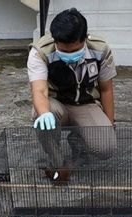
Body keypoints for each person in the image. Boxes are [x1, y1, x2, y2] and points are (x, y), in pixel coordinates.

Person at [27, 8, 117, 183]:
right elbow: (39, 90)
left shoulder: (100, 49)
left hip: (86, 103)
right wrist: (44, 113)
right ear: (55, 40)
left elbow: (106, 90)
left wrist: (109, 124)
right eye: (63, 50)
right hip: (56, 102)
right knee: (41, 115)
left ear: (84, 39)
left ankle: (77, 140)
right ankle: (59, 164)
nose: (69, 55)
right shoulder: (40, 52)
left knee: (106, 148)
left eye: (74, 50)